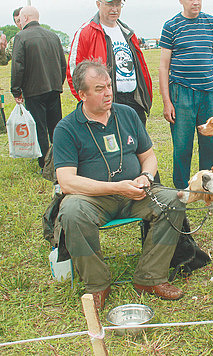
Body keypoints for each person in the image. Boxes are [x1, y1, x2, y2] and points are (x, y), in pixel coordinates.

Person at [54, 60, 185, 309]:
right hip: (93, 200)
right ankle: (97, 285)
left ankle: (150, 277)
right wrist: (116, 187)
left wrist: (146, 177)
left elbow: (148, 157)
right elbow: (67, 181)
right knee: (70, 211)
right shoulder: (67, 128)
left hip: (135, 194)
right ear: (82, 94)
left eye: (109, 86)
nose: (108, 93)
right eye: (100, 88)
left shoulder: (127, 114)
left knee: (174, 200)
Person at [159, 0, 213, 189]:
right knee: (182, 146)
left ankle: (208, 188)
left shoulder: (211, 23)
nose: (196, 2)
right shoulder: (171, 26)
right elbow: (164, 66)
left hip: (209, 93)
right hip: (181, 93)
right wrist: (167, 101)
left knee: (210, 146)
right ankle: (183, 189)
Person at [67, 0, 153, 127]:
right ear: (98, 4)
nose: (115, 9)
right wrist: (90, 102)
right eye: (110, 4)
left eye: (118, 4)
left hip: (133, 101)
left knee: (137, 144)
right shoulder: (86, 32)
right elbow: (74, 72)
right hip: (105, 102)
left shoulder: (127, 32)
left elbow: (140, 67)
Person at [10, 6, 66, 169]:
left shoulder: (21, 37)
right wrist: (57, 83)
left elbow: (18, 66)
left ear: (25, 18)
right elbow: (62, 65)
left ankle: (45, 164)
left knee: (39, 127)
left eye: (19, 19)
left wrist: (16, 90)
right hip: (54, 88)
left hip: (34, 90)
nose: (19, 22)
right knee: (56, 126)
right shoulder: (53, 36)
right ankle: (61, 161)